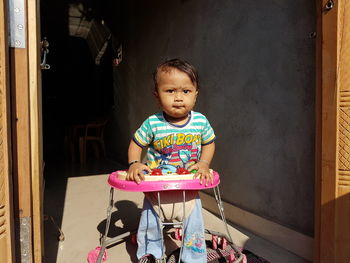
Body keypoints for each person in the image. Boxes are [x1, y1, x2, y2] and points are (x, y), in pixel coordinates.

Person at [127, 58, 216, 263]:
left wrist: (204, 163)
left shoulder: (200, 122)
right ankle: (150, 253)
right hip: (156, 189)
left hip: (188, 189)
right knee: (150, 221)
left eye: (185, 91)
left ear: (195, 94)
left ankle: (193, 257)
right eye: (170, 91)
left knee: (194, 223)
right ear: (157, 96)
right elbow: (136, 144)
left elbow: (209, 143)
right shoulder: (152, 123)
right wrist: (134, 163)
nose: (178, 98)